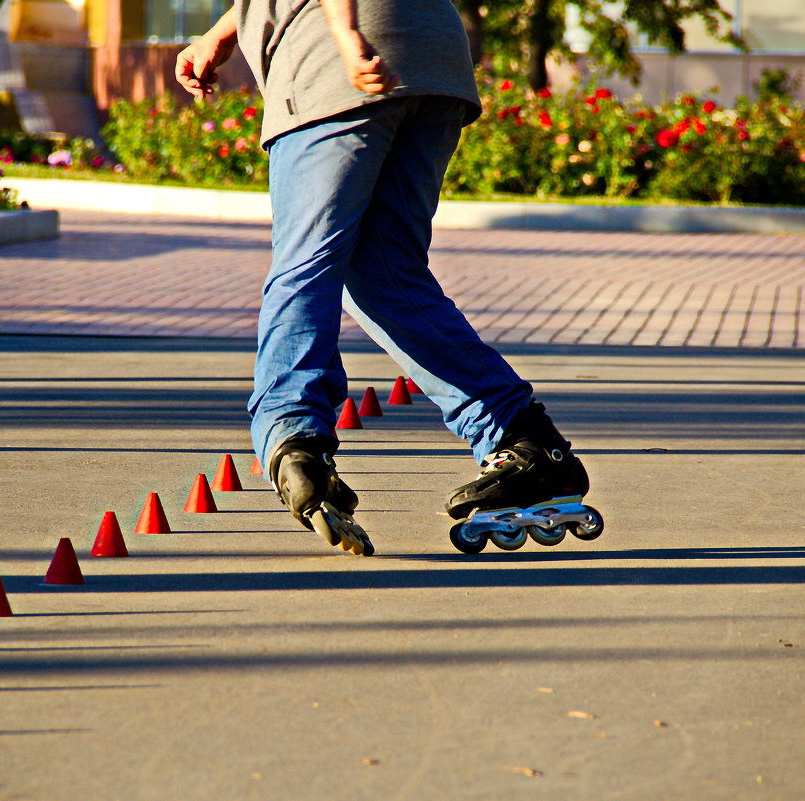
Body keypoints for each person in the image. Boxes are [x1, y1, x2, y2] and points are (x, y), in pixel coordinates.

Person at [175, 0, 601, 557]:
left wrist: (348, 37)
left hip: (340, 63)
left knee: (306, 265)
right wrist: (224, 30)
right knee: (385, 275)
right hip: (432, 58)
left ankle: (294, 433)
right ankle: (527, 442)